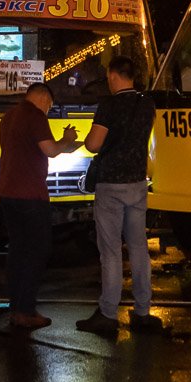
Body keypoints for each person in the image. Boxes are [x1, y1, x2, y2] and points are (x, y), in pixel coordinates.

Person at [76, 56, 161, 336]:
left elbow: (93, 144)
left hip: (110, 185)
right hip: (137, 183)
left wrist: (88, 138)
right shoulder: (146, 103)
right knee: (138, 249)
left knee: (111, 252)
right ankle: (142, 312)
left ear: (113, 76)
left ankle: (108, 313)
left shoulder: (110, 105)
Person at [0, 82, 80, 329]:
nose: (49, 110)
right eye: (50, 106)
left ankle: (16, 307)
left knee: (18, 249)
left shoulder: (9, 116)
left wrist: (69, 144)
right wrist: (67, 139)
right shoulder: (34, 116)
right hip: (29, 194)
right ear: (44, 99)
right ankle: (25, 310)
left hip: (6, 192)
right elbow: (51, 150)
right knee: (38, 250)